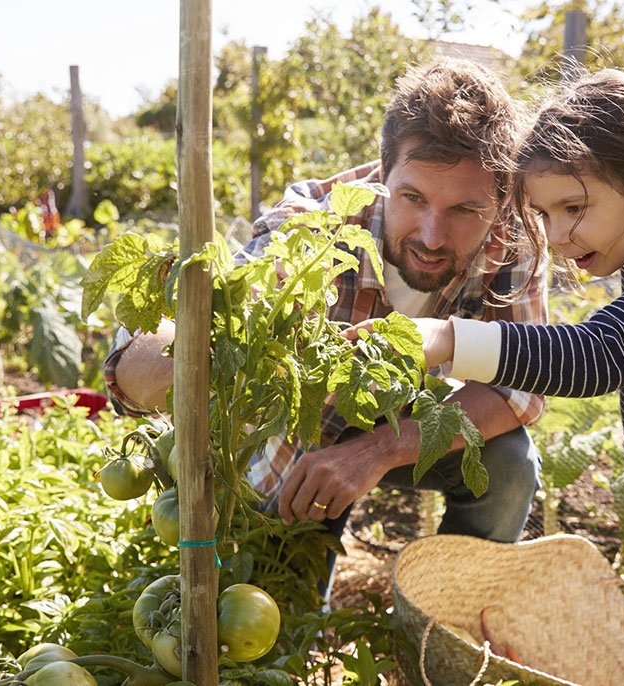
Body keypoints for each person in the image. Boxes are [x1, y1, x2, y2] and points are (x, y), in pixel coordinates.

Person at [359, 69, 624, 685]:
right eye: (544, 214)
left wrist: (447, 339)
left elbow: (591, 355)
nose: (555, 238)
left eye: (574, 209)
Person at [106, 59, 549, 568]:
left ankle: (451, 612)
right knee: (279, 608)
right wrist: (199, 363)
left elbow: (519, 385)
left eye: (464, 210)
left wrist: (377, 451)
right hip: (303, 439)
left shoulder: (515, 239)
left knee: (509, 463)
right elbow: (165, 336)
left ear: (499, 200)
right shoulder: (315, 226)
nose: (432, 235)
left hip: (408, 421)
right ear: (384, 174)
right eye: (413, 198)